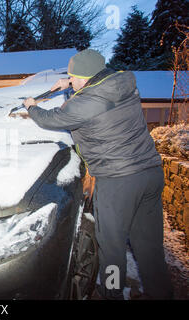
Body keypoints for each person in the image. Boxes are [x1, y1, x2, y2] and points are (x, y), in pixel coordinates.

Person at [23, 49, 173, 300]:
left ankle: (112, 292)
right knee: (149, 247)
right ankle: (162, 293)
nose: (70, 80)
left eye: (73, 76)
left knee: (112, 247)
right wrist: (69, 84)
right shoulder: (120, 83)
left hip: (118, 181)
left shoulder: (85, 102)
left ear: (85, 77)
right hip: (149, 175)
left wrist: (32, 107)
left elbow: (54, 118)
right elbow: (91, 97)